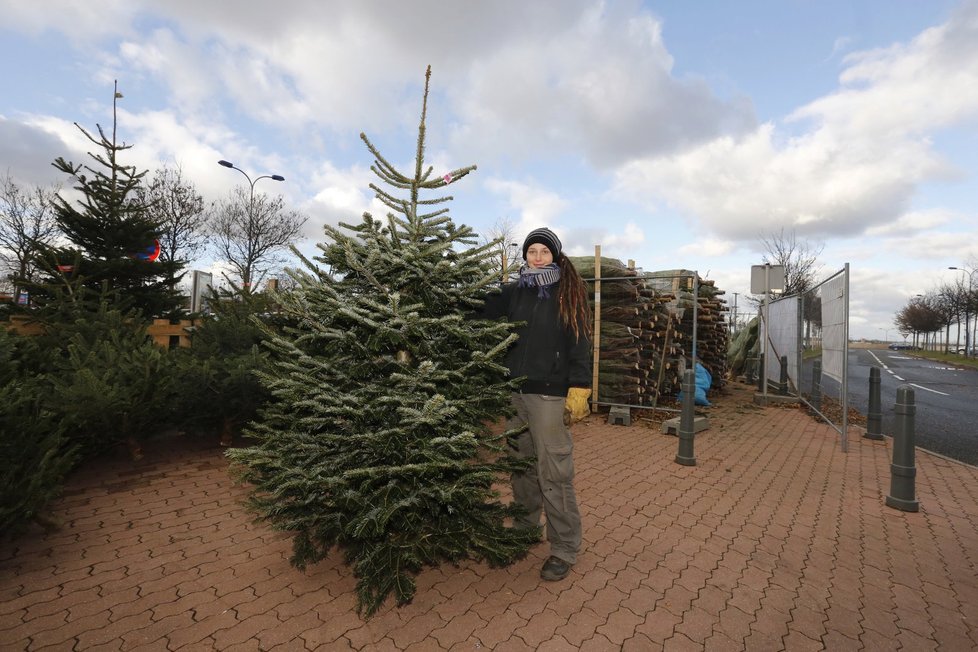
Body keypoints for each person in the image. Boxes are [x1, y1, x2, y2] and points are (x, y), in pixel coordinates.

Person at [481, 227, 593, 581]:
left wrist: (580, 386)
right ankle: (525, 527)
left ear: (555, 256)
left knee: (553, 470)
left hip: (549, 393)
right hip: (515, 390)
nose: (537, 257)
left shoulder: (569, 294)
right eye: (532, 252)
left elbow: (580, 342)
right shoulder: (515, 292)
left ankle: (564, 546)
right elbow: (477, 307)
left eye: (544, 251)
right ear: (525, 256)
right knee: (521, 462)